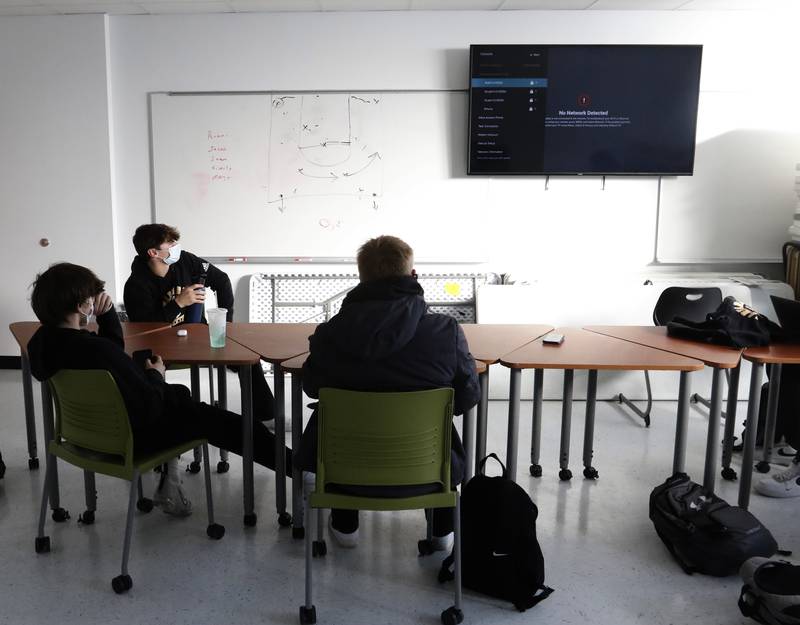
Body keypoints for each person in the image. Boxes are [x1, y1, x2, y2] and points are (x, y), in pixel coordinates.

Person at [28, 262, 291, 517]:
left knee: (181, 396)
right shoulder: (98, 350)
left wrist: (107, 317)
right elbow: (150, 406)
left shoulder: (44, 345)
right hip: (134, 439)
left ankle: (171, 479)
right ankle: (298, 469)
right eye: (91, 297)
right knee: (235, 427)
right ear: (82, 305)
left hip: (88, 436)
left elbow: (107, 353)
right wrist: (156, 375)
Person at [296, 235, 480, 548]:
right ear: (412, 275)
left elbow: (312, 387)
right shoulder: (444, 331)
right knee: (439, 428)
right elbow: (467, 396)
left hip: (345, 471)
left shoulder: (330, 334)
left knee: (336, 425)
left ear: (361, 277)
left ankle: (345, 526)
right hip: (425, 468)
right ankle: (440, 530)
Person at [122, 223, 274, 421]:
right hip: (159, 346)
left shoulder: (185, 260)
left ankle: (266, 416)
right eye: (170, 244)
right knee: (141, 374)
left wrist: (225, 323)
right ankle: (158, 421)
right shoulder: (136, 285)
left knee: (248, 358)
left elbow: (222, 280)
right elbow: (145, 327)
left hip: (197, 336)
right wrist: (178, 303)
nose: (176, 247)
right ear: (153, 252)